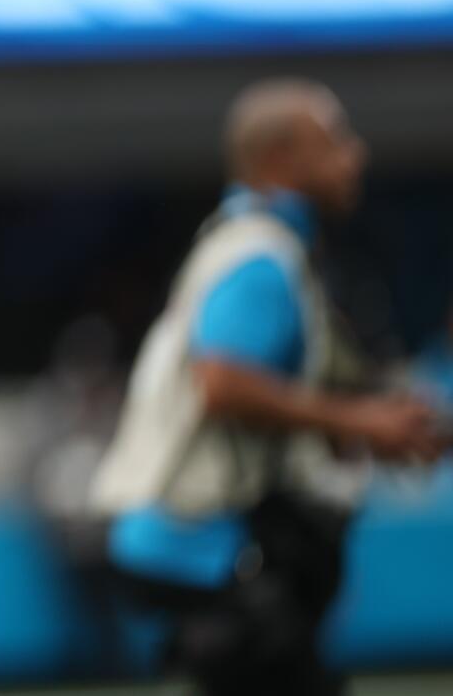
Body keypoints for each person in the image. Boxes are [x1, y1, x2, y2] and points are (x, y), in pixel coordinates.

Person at [91, 78, 450, 696]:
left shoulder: (254, 242)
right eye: (334, 141)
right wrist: (358, 423)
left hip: (190, 543)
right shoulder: (260, 257)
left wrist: (363, 422)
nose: (355, 155)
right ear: (280, 161)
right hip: (199, 543)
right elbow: (222, 383)